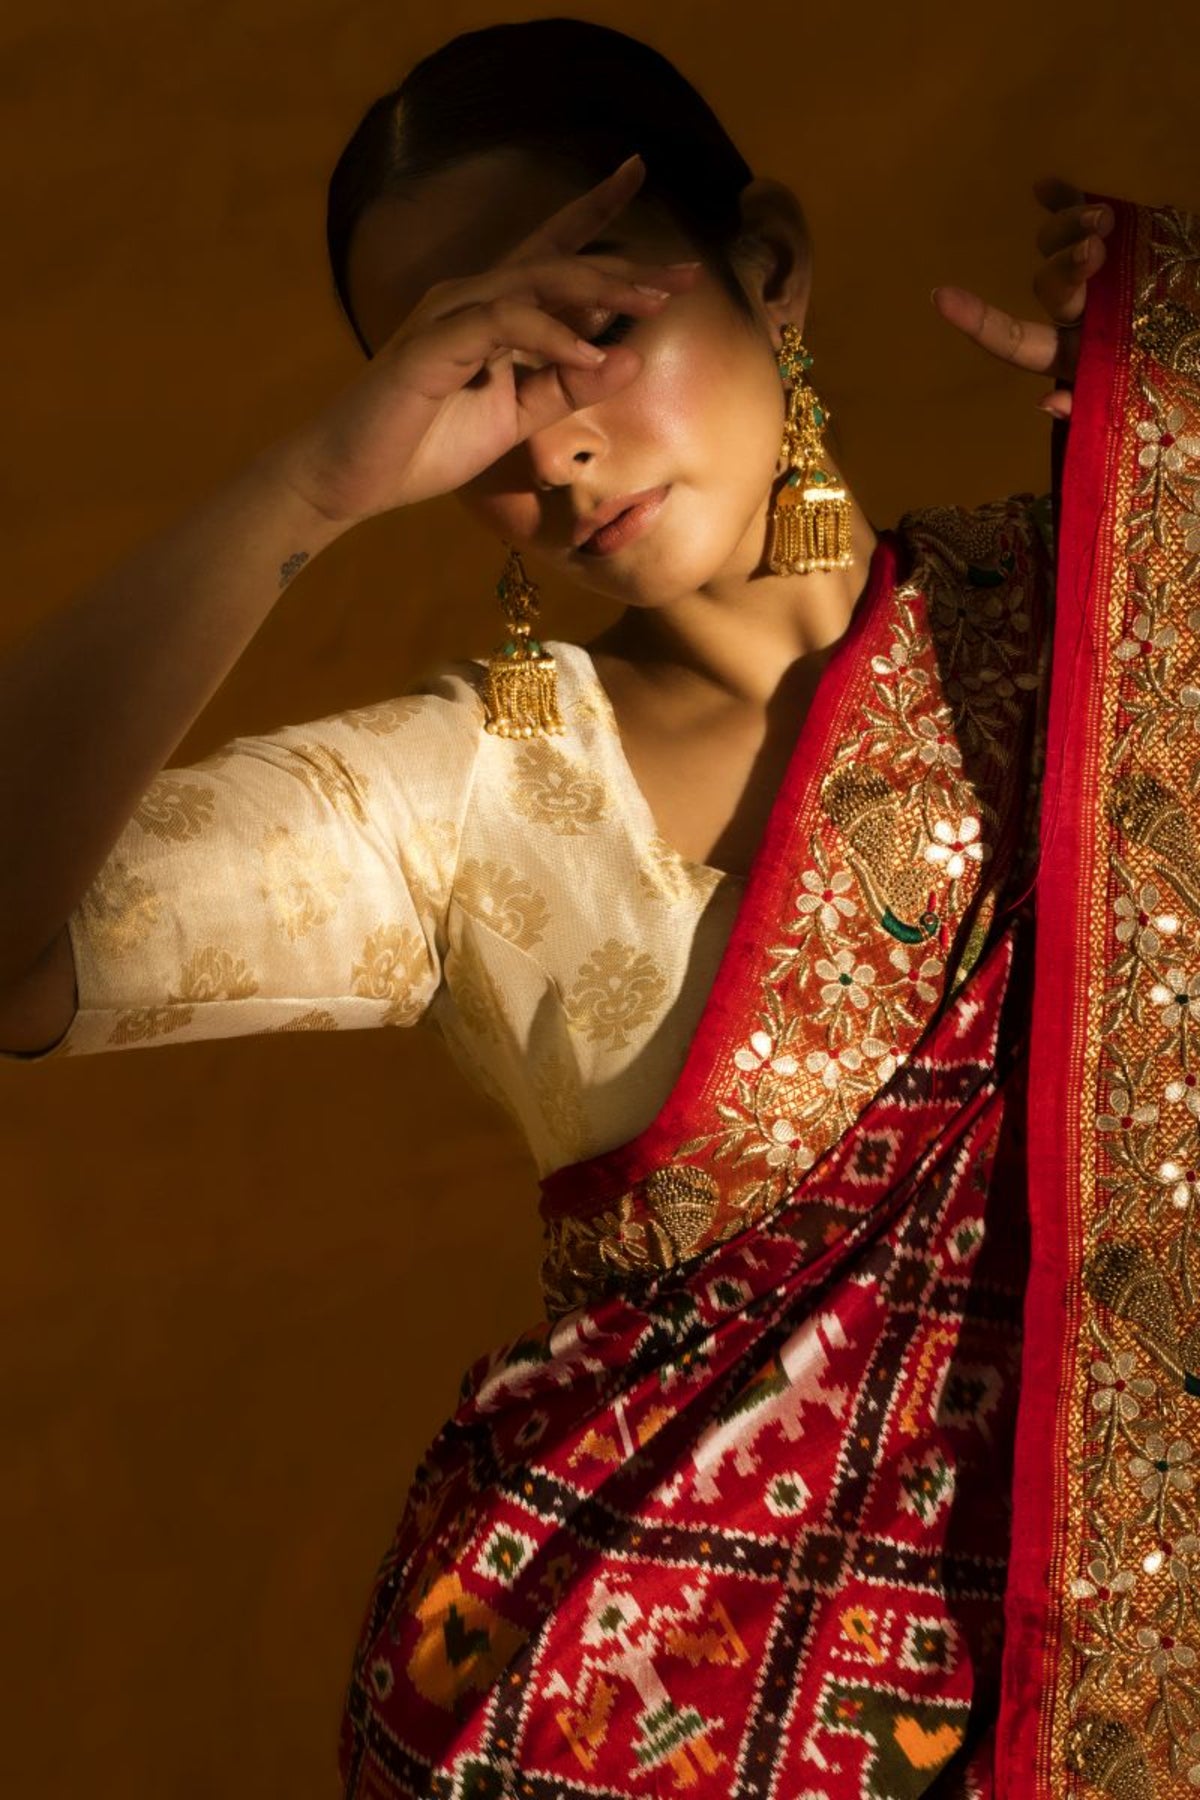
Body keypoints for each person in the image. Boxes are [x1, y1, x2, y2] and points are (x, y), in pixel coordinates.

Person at [1, 16, 1194, 1798]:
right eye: (468, 385)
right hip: (617, 1735)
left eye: (596, 328)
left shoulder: (1129, 636)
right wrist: (321, 481)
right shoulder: (475, 800)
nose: (549, 439)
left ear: (767, 263)